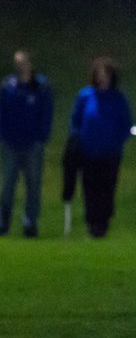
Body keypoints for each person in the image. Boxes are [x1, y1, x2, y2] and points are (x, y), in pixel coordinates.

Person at [67, 57, 131, 238]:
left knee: (107, 188)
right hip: (88, 152)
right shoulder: (85, 95)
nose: (102, 78)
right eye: (99, 74)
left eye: (105, 74)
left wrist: (117, 141)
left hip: (110, 153)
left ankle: (103, 223)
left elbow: (126, 124)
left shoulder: (118, 98)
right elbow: (75, 120)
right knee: (90, 188)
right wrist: (77, 138)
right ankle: (92, 223)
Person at [0, 50, 52, 238]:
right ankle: (2, 223)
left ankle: (30, 223)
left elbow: (46, 113)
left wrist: (41, 137)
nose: (21, 67)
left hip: (32, 145)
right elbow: (1, 112)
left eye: (24, 63)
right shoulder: (8, 86)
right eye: (18, 63)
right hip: (11, 144)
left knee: (33, 186)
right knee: (7, 187)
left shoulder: (40, 86)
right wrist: (1, 135)